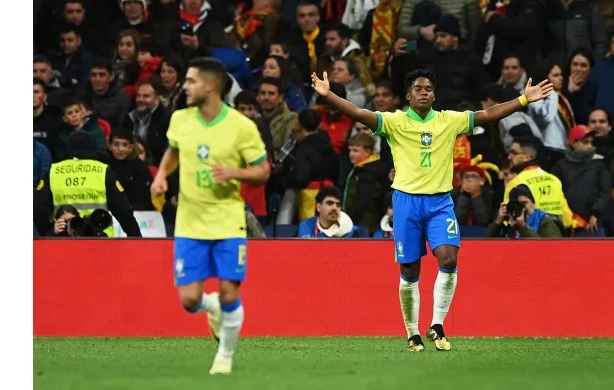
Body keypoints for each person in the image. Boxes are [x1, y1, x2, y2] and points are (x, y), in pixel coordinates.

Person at [310, 67, 552, 351]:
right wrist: (329, 96)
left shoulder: (448, 121)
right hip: (406, 202)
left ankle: (436, 325)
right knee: (410, 269)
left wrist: (523, 99)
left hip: (439, 203)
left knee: (449, 259)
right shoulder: (395, 121)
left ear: (434, 95)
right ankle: (412, 333)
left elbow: (487, 115)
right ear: (409, 95)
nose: (424, 92)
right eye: (419, 88)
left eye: (429, 88)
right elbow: (359, 113)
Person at [150, 57, 270, 375]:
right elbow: (174, 150)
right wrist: (162, 174)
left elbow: (263, 171)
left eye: (190, 81)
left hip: (228, 220)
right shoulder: (180, 119)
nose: (184, 86)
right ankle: (210, 305)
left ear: (210, 85)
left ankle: (225, 357)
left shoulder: (241, 127)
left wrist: (232, 172)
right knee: (189, 300)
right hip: (190, 222)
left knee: (231, 291)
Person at [33, 131, 141, 238]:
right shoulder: (102, 170)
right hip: (98, 236)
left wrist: (50, 231)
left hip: (64, 236)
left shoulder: (54, 171)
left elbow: (37, 206)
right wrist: (136, 237)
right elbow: (122, 209)